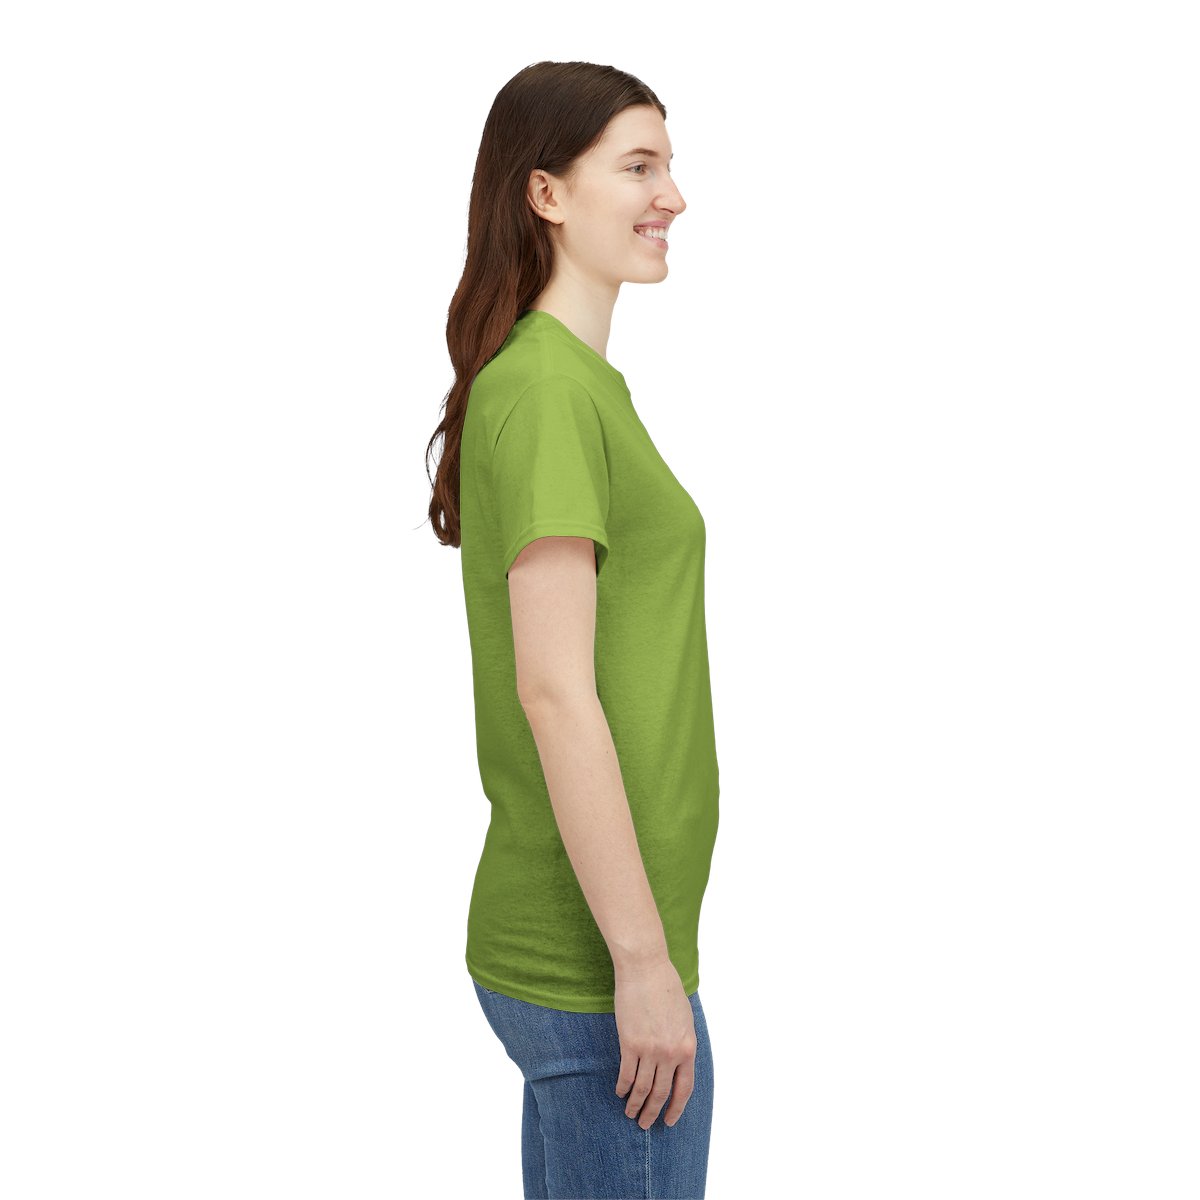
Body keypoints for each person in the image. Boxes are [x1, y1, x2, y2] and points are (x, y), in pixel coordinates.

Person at [425, 60, 720, 1199]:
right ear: (545, 193)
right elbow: (554, 691)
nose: (672, 196)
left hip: (606, 950)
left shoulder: (573, 384)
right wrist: (641, 966)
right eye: (639, 167)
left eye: (669, 166)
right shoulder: (549, 391)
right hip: (598, 962)